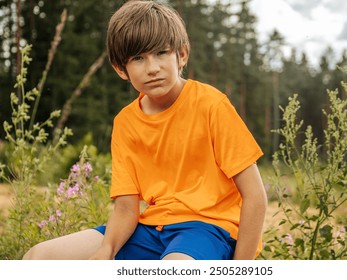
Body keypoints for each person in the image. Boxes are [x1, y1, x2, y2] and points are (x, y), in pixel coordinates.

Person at [23, 0, 267, 260]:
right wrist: (106, 251)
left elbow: (255, 196)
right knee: (39, 257)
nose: (152, 68)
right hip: (151, 230)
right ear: (121, 70)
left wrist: (241, 269)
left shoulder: (211, 105)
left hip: (207, 229)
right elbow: (127, 209)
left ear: (181, 55)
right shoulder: (125, 122)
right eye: (138, 58)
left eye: (161, 53)